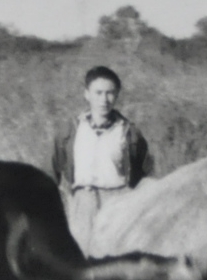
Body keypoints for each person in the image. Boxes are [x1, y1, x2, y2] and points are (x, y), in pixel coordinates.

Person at [49, 65, 153, 254]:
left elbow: (143, 173)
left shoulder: (129, 132)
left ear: (117, 95)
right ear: (87, 94)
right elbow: (55, 168)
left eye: (110, 93)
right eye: (98, 93)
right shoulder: (70, 130)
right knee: (81, 256)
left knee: (117, 256)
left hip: (118, 203)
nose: (104, 100)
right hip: (83, 202)